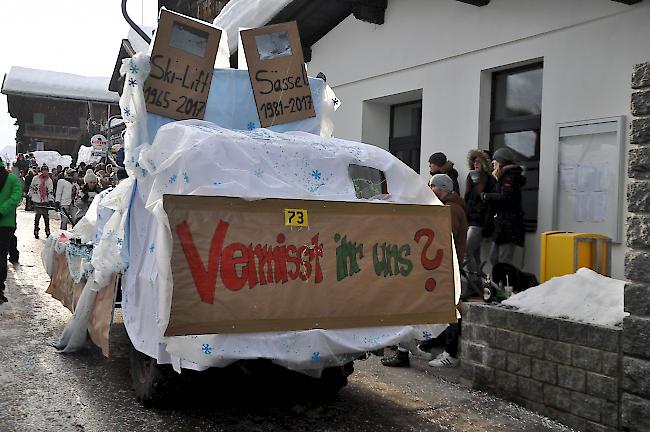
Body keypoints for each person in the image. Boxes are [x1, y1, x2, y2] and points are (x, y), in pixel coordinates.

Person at [382, 174, 467, 368]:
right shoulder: (446, 207)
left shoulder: (450, 210)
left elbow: (442, 237)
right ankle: (411, 349)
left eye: (432, 186)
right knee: (420, 306)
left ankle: (450, 353)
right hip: (435, 266)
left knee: (449, 309)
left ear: (442, 188)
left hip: (442, 268)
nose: (428, 190)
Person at [481, 147, 526, 266]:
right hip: (502, 225)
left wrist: (487, 196)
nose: (492, 162)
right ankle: (499, 282)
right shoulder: (503, 177)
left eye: (495, 160)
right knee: (494, 257)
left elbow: (506, 197)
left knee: (504, 260)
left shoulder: (510, 177)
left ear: (501, 161)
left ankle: (506, 284)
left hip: (509, 225)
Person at [463, 149, 496, 275]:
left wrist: (486, 224)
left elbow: (490, 204)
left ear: (484, 163)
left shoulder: (489, 180)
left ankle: (470, 284)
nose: (476, 164)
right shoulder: (470, 177)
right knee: (475, 255)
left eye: (479, 161)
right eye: (474, 161)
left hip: (479, 222)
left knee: (466, 252)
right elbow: (467, 200)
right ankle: (477, 285)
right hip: (470, 219)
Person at [0, 160, 24, 304]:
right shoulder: (13, 179)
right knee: (1, 254)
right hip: (7, 223)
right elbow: (16, 197)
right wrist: (2, 211)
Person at [30, 164, 54, 239]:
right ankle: (36, 229)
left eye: (46, 171)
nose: (44, 172)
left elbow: (50, 191)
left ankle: (47, 229)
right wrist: (30, 196)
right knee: (38, 215)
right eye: (43, 170)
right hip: (36, 199)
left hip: (45, 200)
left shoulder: (49, 181)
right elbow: (32, 187)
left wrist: (50, 200)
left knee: (45, 216)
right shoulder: (36, 178)